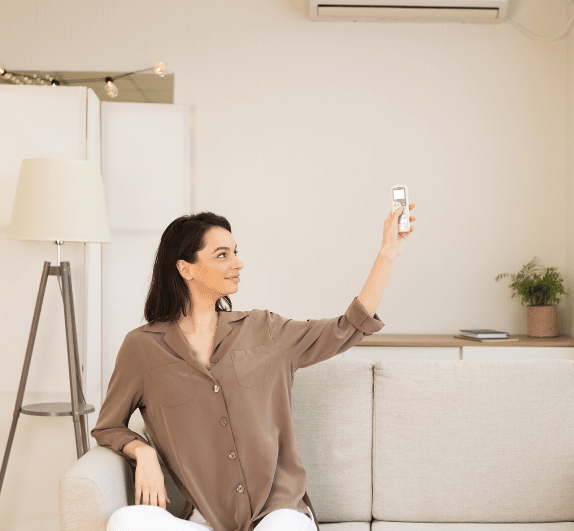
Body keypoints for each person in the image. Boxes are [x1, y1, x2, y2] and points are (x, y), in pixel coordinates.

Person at [91, 202, 416, 531]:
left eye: (235, 252)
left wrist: (388, 252)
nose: (238, 263)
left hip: (277, 514)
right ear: (185, 268)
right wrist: (142, 452)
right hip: (203, 519)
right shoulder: (141, 347)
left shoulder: (266, 329)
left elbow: (346, 328)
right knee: (125, 521)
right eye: (223, 255)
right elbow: (108, 426)